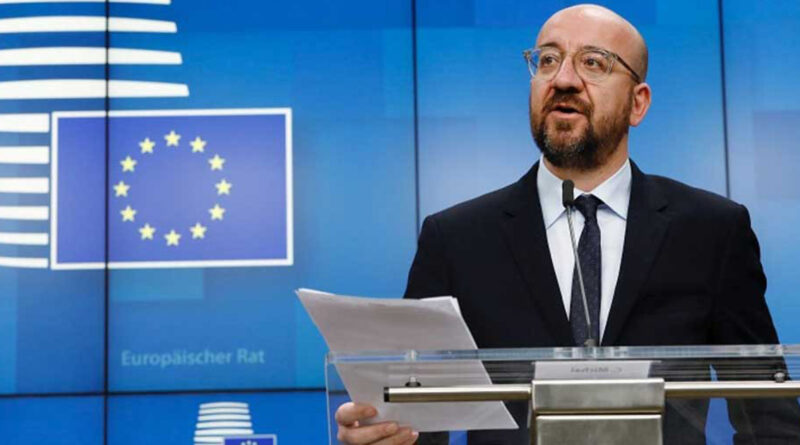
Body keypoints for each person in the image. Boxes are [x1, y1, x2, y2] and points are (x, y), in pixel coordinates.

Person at [335, 4, 800, 444]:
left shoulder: (712, 231)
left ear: (638, 103)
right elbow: (417, 418)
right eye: (548, 60)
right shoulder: (456, 239)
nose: (563, 79)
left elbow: (770, 419)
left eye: (593, 63)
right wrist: (383, 434)